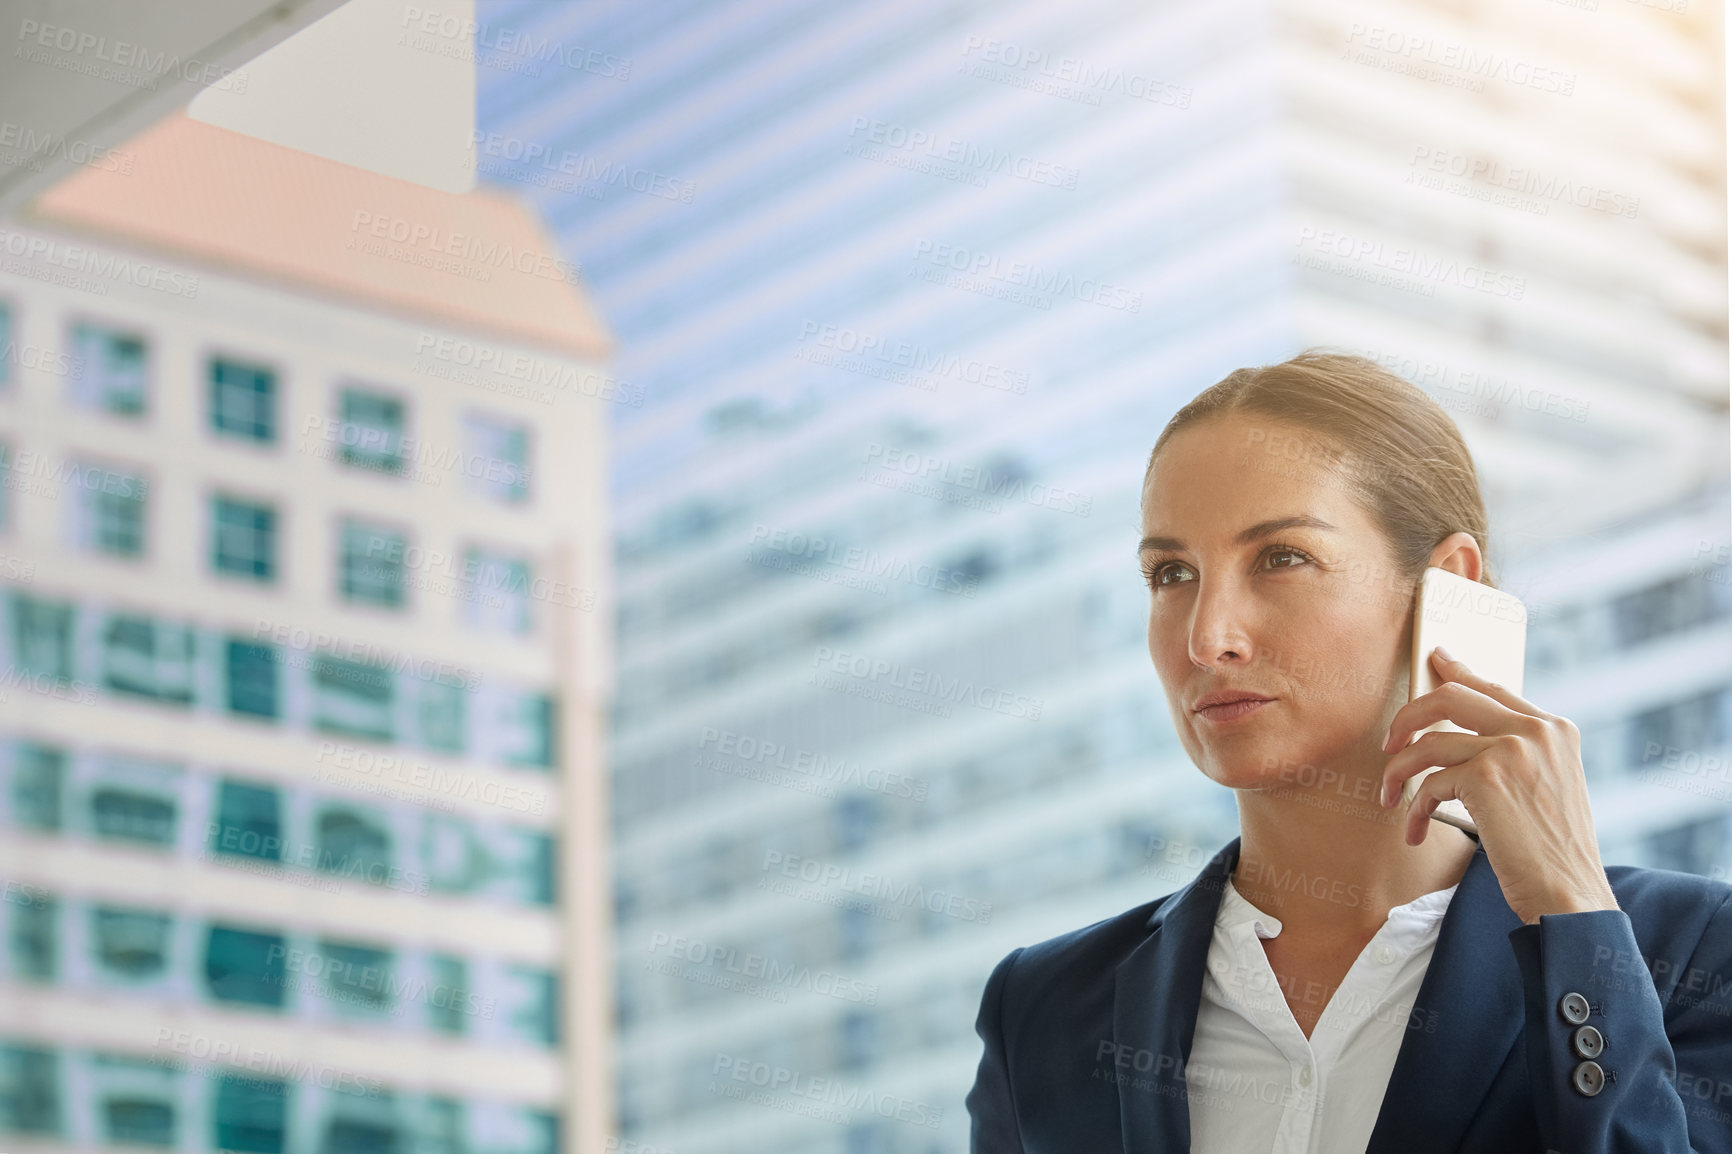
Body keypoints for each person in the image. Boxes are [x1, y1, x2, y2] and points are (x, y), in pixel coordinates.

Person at [963, 351, 1732, 1153]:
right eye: (1172, 572)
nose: (1208, 637)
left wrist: (1570, 915)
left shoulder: (1688, 956)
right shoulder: (1042, 1015)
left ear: (1447, 586)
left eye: (1281, 558)